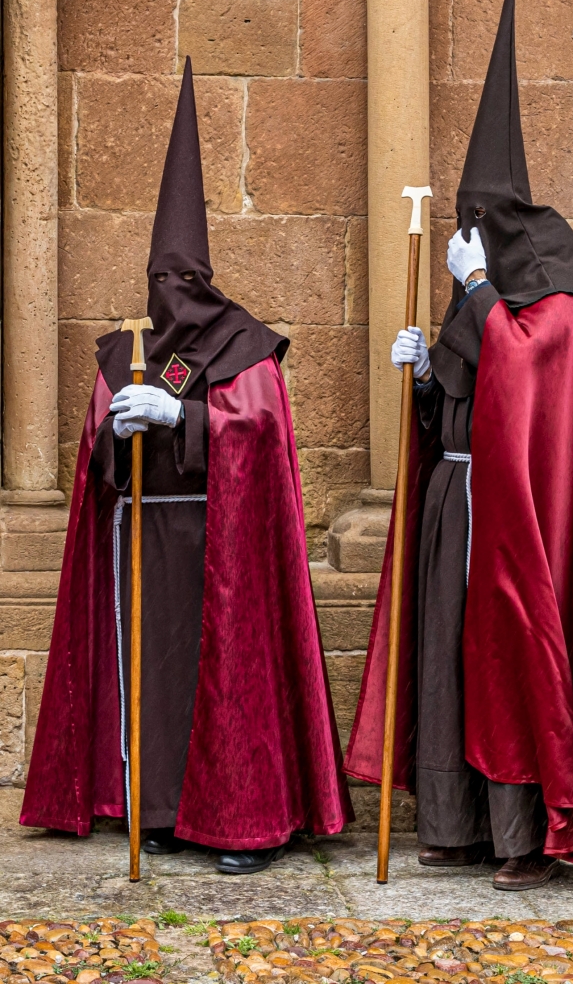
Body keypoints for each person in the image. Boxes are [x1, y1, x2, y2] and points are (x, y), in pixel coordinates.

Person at [344, 0, 573, 890]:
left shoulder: (559, 284)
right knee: (446, 655)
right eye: (464, 213)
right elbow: (465, 396)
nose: (471, 228)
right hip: (458, 496)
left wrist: (478, 295)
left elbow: (526, 375)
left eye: (486, 211)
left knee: (511, 660)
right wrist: (429, 369)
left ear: (512, 212)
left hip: (523, 526)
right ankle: (458, 823)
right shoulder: (477, 283)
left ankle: (526, 835)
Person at [21, 59, 353, 873]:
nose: (170, 291)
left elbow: (265, 433)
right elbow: (95, 460)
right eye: (159, 279)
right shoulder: (126, 348)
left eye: (183, 279)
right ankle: (164, 807)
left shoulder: (243, 343)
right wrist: (115, 426)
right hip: (147, 545)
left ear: (204, 279)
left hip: (223, 544)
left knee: (229, 681)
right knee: (160, 688)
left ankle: (248, 823)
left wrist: (188, 414)